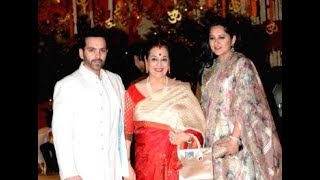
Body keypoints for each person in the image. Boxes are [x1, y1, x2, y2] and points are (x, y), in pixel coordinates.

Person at [200, 17, 282, 179]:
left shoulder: (242, 64)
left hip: (236, 137)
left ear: (233, 39)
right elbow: (204, 105)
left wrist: (234, 139)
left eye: (222, 37)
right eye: (212, 38)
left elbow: (248, 103)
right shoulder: (209, 69)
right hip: (213, 140)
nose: (216, 42)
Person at [51, 26, 129, 180]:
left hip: (112, 168)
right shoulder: (67, 85)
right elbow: (62, 133)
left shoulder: (116, 80)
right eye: (91, 50)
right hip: (83, 169)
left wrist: (125, 168)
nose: (97, 55)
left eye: (102, 50)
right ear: (81, 53)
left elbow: (121, 126)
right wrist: (70, 173)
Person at [124, 40, 206, 180]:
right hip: (145, 166)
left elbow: (199, 125)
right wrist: (126, 164)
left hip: (176, 163)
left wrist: (187, 137)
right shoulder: (132, 92)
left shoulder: (181, 90)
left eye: (164, 59)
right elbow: (127, 132)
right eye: (154, 59)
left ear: (169, 63)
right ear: (146, 61)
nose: (159, 64)